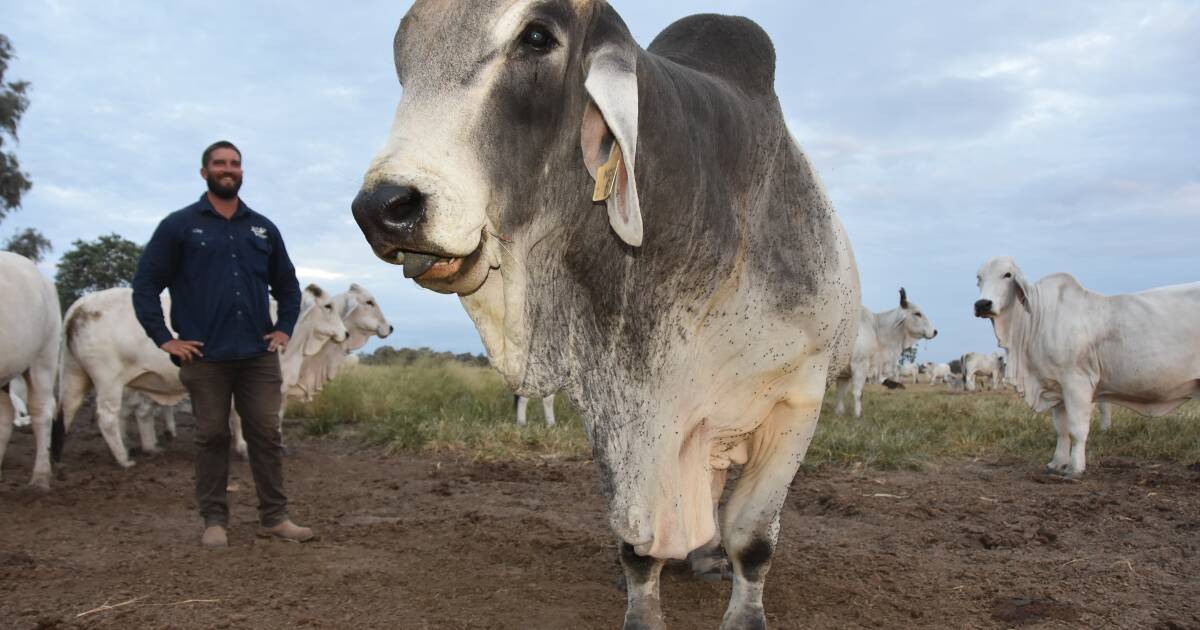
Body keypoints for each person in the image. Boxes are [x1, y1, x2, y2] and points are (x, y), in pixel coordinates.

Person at [132, 140, 315, 548]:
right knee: (211, 436)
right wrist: (164, 339)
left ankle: (275, 518)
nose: (227, 169)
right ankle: (214, 520)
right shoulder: (179, 226)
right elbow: (145, 285)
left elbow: (288, 284)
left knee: (266, 435)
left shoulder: (263, 228)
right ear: (205, 173)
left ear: (242, 172)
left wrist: (284, 326)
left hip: (257, 355)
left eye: (234, 163)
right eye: (219, 163)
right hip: (205, 357)